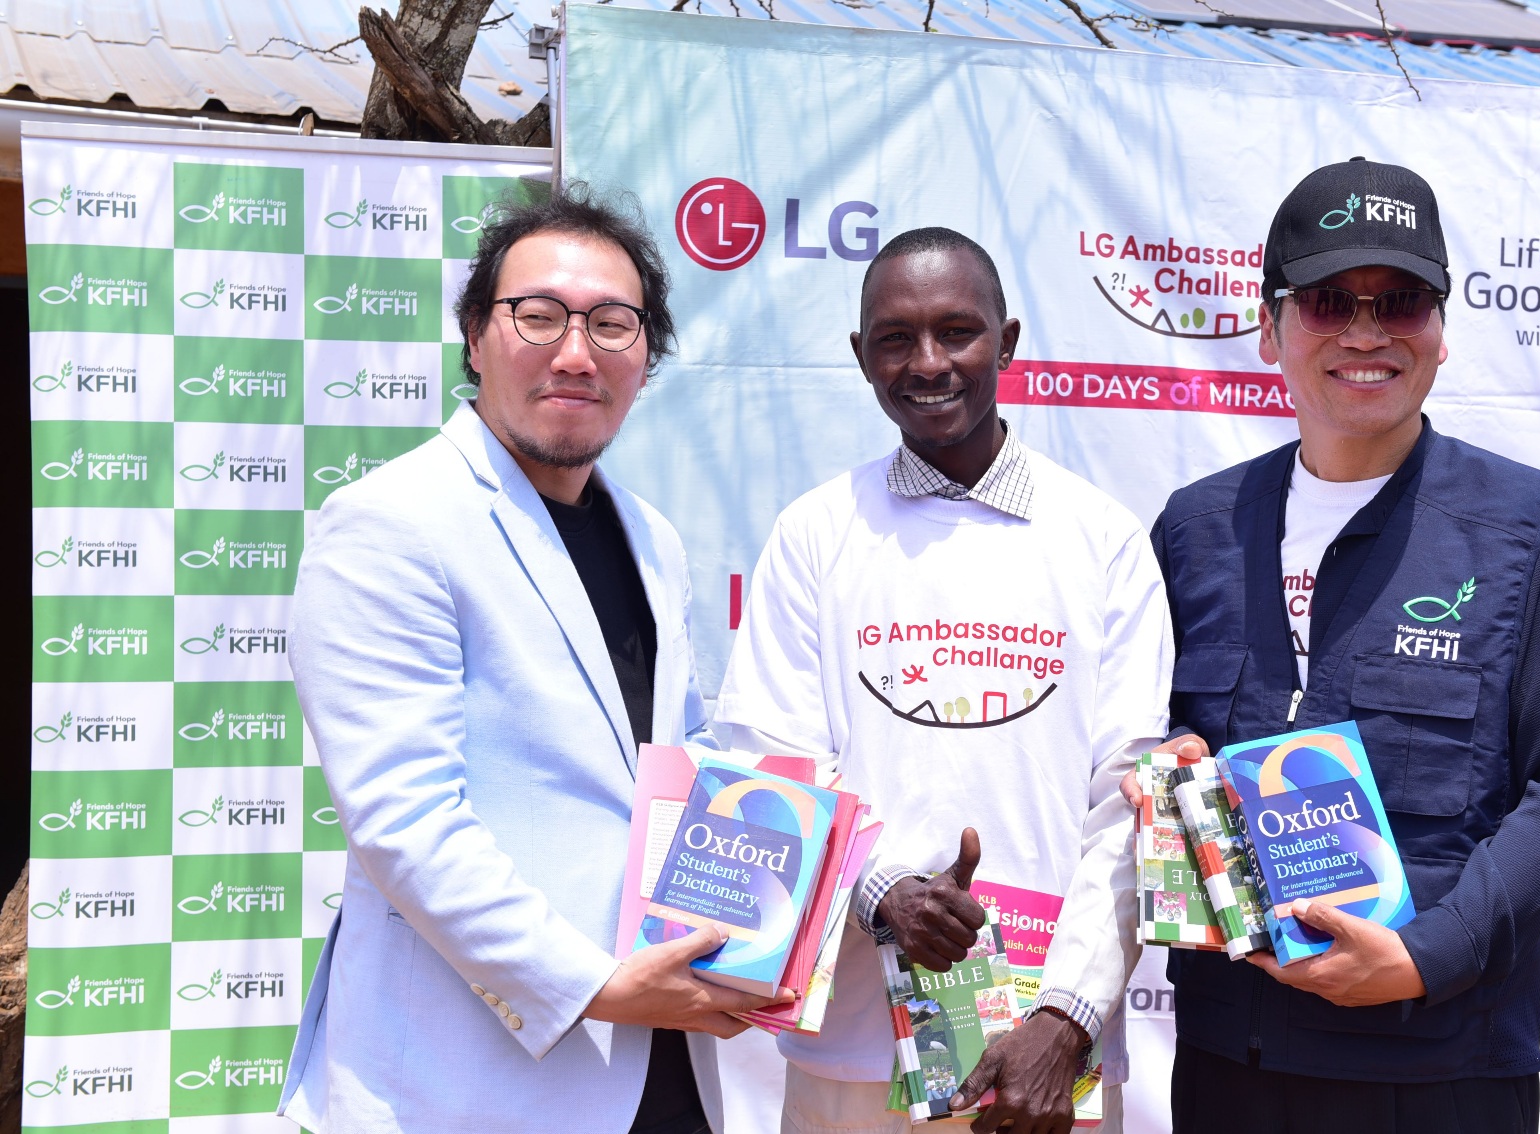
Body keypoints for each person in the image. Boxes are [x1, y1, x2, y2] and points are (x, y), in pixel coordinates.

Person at [1135, 157, 1540, 1134]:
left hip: (1437, 1065)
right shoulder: (1194, 529)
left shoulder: (1532, 527)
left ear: (1440, 333)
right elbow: (1152, 740)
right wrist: (1162, 766)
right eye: (1328, 300)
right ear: (1271, 328)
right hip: (1229, 1064)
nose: (1365, 330)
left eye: (1399, 300)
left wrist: (1428, 953)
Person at [278, 189, 788, 1134]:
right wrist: (592, 984)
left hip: (662, 1057)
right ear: (475, 337)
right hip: (469, 1077)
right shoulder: (392, 525)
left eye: (611, 323)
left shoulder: (651, 537)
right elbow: (405, 820)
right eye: (538, 315)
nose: (575, 351)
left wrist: (817, 877)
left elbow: (679, 768)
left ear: (646, 356)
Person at [715, 227, 1174, 1134]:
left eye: (957, 331)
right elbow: (771, 761)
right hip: (855, 1051)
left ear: (1006, 341)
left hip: (1049, 1064)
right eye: (895, 338)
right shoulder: (816, 533)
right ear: (859, 356)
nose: (928, 363)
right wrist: (880, 890)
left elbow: (1129, 801)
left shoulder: (1102, 539)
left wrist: (1070, 1014)